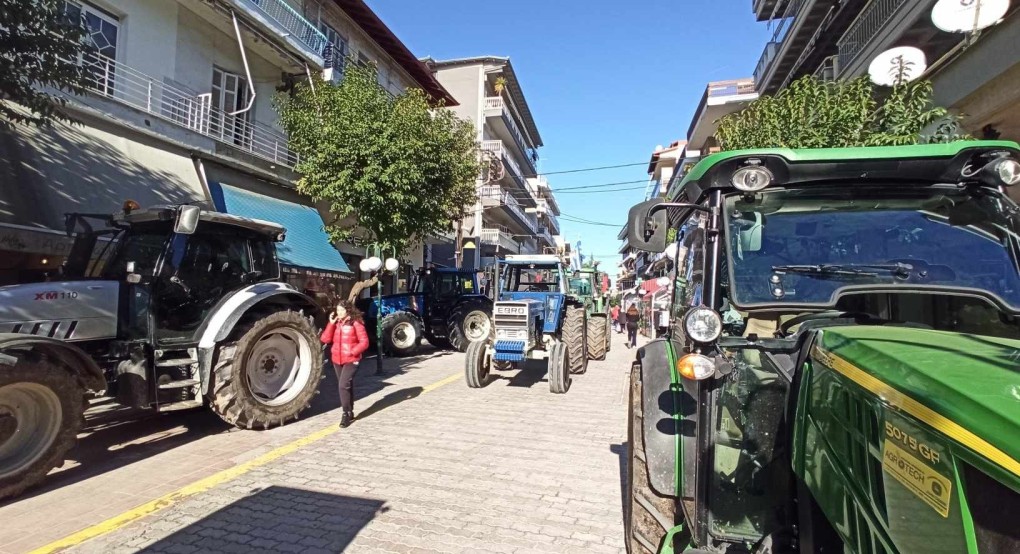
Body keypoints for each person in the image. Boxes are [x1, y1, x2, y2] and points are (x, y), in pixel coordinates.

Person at [320, 300, 370, 428]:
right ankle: (350, 410)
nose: (339, 313)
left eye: (341, 310)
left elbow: (364, 342)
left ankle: (345, 413)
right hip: (337, 360)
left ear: (348, 310)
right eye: (337, 310)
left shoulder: (356, 323)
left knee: (343, 385)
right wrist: (330, 324)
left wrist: (353, 352)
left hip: (351, 360)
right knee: (347, 385)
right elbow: (325, 339)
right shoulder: (336, 323)